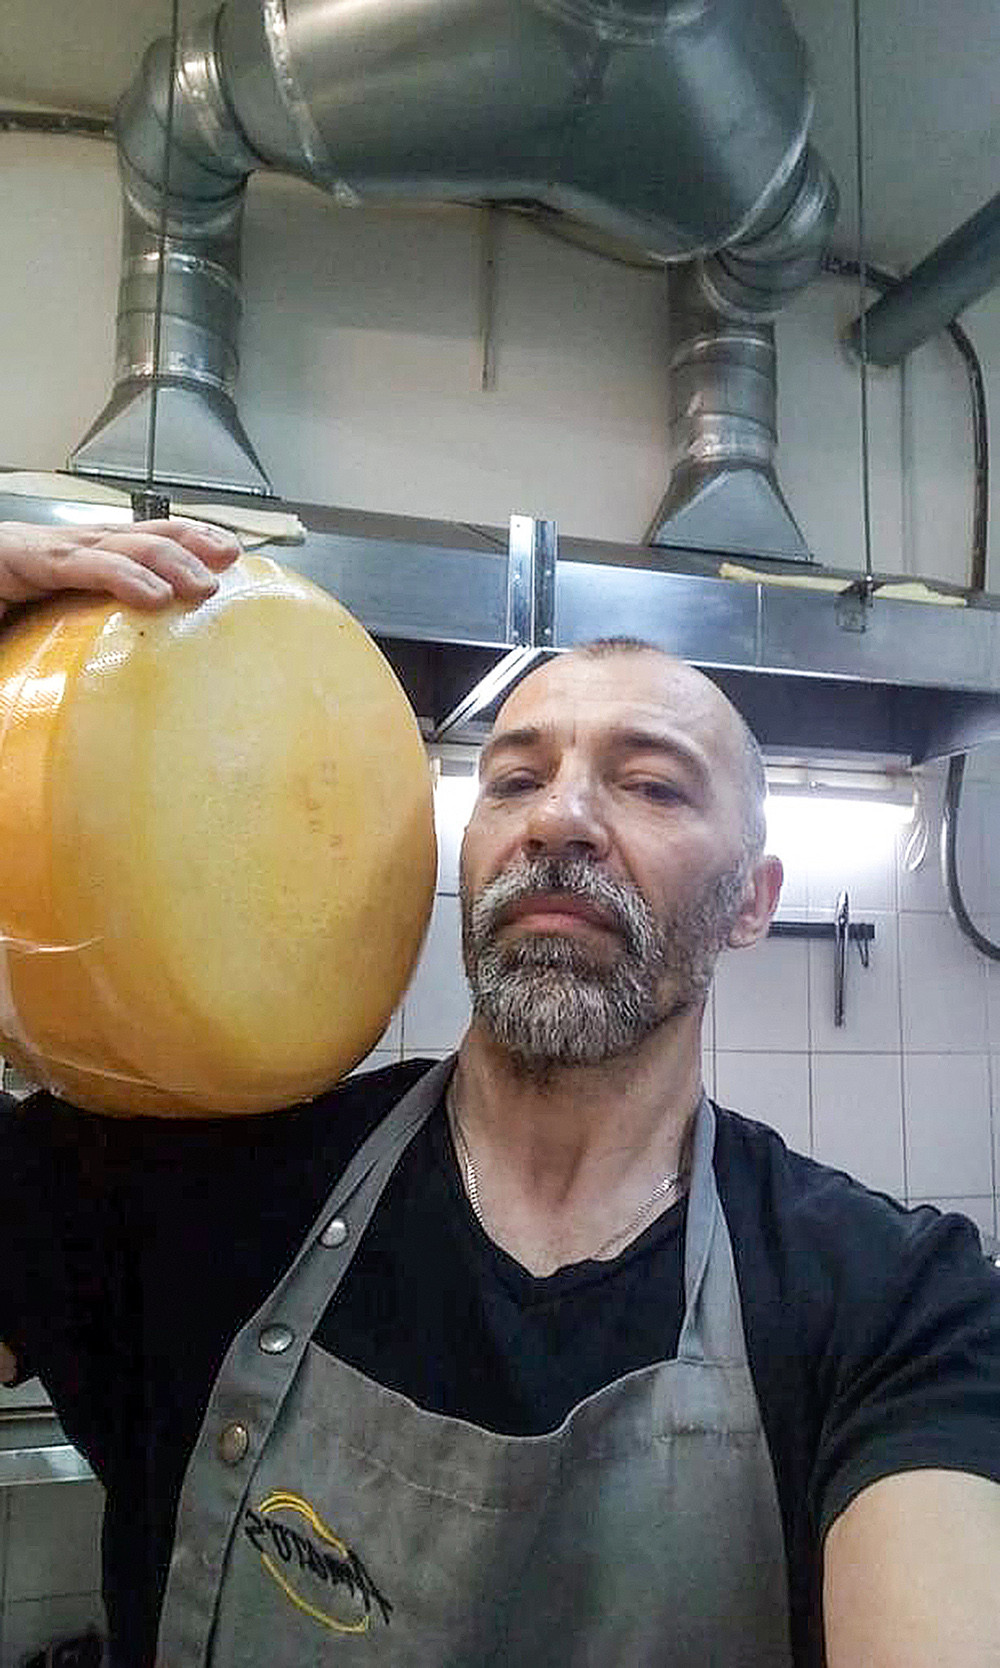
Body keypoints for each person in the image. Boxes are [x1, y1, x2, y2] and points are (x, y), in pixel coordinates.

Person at [1, 517, 999, 1668]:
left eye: (651, 786)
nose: (558, 819)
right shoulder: (188, 1183)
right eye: (514, 779)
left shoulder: (890, 1306)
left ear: (751, 903)